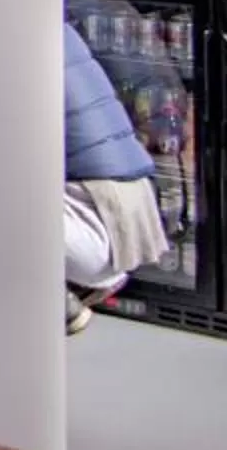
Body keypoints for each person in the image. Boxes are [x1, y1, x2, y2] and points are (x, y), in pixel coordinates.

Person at [62, 21, 169, 332]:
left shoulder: (0, 39)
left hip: (95, 232)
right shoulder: (52, 26)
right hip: (135, 219)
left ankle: (58, 300)